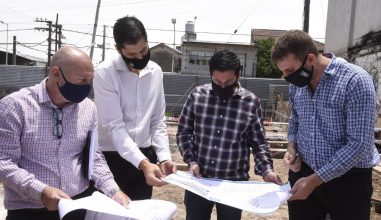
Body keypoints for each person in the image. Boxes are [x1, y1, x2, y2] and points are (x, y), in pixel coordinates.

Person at [0, 46, 129, 220]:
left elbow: (94, 157)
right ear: (55, 73)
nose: (86, 87)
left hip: (77, 206)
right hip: (30, 211)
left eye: (90, 80)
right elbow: (4, 162)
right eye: (81, 79)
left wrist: (113, 190)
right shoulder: (15, 107)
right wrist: (40, 191)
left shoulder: (88, 108)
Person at [271, 30, 381, 220]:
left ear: (310, 59)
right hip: (304, 174)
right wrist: (291, 148)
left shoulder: (355, 81)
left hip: (348, 181)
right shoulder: (297, 84)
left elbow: (360, 145)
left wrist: (316, 180)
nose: (287, 76)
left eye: (289, 70)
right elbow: (296, 119)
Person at [176, 50, 282, 220]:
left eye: (229, 82)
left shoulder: (251, 102)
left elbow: (258, 143)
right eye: (217, 81)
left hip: (234, 183)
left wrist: (266, 171)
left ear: (238, 75)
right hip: (200, 180)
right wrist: (192, 161)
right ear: (210, 74)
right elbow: (183, 132)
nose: (223, 86)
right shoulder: (197, 96)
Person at [93, 16, 176, 200]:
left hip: (145, 157)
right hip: (111, 158)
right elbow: (114, 126)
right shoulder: (105, 73)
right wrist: (143, 163)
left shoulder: (155, 72)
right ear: (118, 50)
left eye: (144, 50)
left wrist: (164, 157)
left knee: (139, 212)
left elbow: (157, 120)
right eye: (131, 55)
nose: (140, 57)